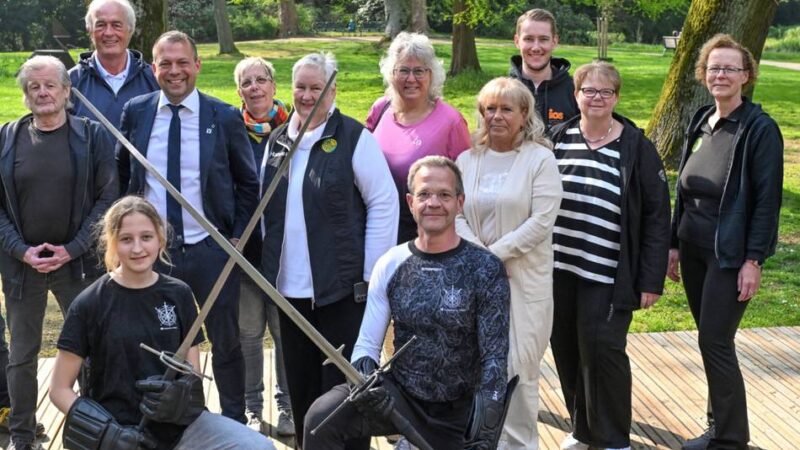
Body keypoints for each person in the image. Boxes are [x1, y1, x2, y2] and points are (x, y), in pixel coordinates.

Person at [304, 155, 511, 450]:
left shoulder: (486, 268)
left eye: (444, 194)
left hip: (460, 410)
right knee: (320, 421)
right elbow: (366, 345)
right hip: (400, 396)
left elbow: (495, 359)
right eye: (424, 194)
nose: (434, 203)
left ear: (460, 202)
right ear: (411, 202)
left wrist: (484, 431)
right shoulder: (391, 263)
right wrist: (365, 382)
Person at [49, 195, 275, 450]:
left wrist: (181, 396)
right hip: (118, 435)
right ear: (112, 243)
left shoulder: (179, 294)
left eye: (146, 237)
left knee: (258, 447)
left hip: (181, 430)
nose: (137, 248)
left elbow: (192, 375)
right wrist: (108, 435)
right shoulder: (89, 303)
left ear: (160, 240)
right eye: (126, 239)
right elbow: (59, 390)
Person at [117, 31, 259, 423]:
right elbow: (122, 177)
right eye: (166, 63)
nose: (175, 71)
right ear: (153, 68)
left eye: (183, 63)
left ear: (197, 65)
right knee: (156, 340)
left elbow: (248, 184)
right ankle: (171, 417)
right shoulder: (136, 112)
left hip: (212, 250)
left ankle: (233, 420)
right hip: (153, 255)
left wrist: (235, 238)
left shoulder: (225, 116)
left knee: (225, 340)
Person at [260, 51, 398, 445]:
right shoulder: (278, 141)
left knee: (342, 392)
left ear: (333, 90)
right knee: (302, 386)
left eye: (316, 88)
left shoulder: (355, 138)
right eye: (300, 87)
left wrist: (371, 277)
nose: (307, 96)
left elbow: (384, 203)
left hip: (340, 290)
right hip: (291, 291)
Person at [667, 34, 783, 450]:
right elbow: (684, 188)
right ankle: (718, 427)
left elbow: (767, 201)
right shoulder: (702, 120)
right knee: (710, 339)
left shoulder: (759, 129)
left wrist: (754, 259)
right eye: (714, 67)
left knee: (715, 339)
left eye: (730, 68)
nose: (720, 74)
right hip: (694, 249)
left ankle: (730, 438)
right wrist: (673, 244)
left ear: (746, 76)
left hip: (729, 253)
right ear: (704, 73)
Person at [548, 61, 670, 450]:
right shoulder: (558, 137)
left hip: (609, 273)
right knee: (566, 348)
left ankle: (615, 438)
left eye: (605, 92)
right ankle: (582, 430)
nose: (596, 98)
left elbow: (656, 216)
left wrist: (650, 280)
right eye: (589, 91)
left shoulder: (636, 147)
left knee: (603, 352)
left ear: (616, 97)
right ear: (576, 95)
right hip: (559, 268)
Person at [0, 56, 118, 450]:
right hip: (22, 268)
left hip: (79, 265)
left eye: (51, 85)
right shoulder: (7, 138)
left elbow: (108, 198)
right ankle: (21, 435)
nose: (43, 92)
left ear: (68, 91)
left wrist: (73, 248)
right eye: (34, 87)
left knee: (91, 349)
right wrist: (20, 251)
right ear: (26, 94)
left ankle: (96, 430)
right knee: (22, 356)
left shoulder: (92, 136)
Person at [455, 77, 562, 450]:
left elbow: (542, 221)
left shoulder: (540, 159)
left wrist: (491, 255)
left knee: (517, 371)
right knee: (473, 369)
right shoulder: (466, 160)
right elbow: (454, 215)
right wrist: (476, 257)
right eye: (489, 109)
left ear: (524, 115)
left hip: (524, 283)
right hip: (474, 284)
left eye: (506, 109)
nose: (496, 116)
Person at [232, 56, 294, 436]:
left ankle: (289, 406)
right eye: (246, 82)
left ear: (273, 85)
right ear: (239, 90)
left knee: (286, 335)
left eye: (261, 80)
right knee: (249, 335)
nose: (254, 88)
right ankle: (251, 407)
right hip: (244, 252)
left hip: (287, 253)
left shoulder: (294, 130)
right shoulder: (230, 130)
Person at [366, 31, 471, 244]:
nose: (411, 78)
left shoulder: (451, 121)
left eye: (419, 71)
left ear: (431, 74)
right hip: (376, 227)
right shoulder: (380, 109)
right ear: (391, 73)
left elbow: (465, 187)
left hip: (425, 236)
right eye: (403, 70)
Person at [69, 0, 159, 127]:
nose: (109, 33)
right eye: (100, 25)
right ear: (89, 30)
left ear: (130, 29)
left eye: (116, 25)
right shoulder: (70, 83)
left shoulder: (155, 80)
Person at [510, 8, 578, 131]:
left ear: (554, 41)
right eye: (529, 39)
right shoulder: (502, 91)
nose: (536, 47)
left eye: (543, 39)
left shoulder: (576, 92)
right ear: (517, 41)